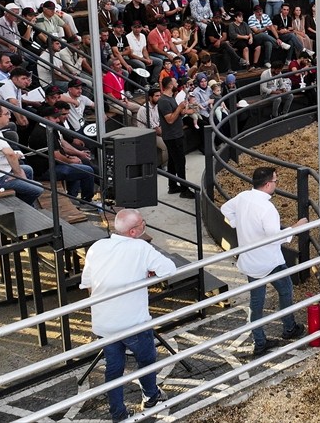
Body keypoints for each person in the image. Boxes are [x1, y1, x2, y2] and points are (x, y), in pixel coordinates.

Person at [81, 209, 175, 422]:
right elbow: (169, 269)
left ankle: (118, 413)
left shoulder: (97, 247)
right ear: (133, 231)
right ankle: (150, 396)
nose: (145, 225)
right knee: (147, 359)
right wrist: (148, 272)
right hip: (133, 322)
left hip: (105, 323)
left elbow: (87, 284)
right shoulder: (140, 247)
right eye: (142, 223)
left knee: (114, 369)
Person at [219, 167, 307, 357]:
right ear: (268, 184)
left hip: (250, 260)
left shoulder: (243, 197)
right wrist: (296, 227)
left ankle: (259, 341)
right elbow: (275, 237)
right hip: (269, 261)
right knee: (286, 290)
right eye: (275, 181)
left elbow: (225, 208)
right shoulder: (267, 209)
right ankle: (289, 327)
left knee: (256, 302)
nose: (276, 184)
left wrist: (239, 224)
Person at [158, 76, 194, 198]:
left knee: (173, 161)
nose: (177, 84)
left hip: (176, 133)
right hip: (172, 136)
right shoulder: (164, 101)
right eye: (175, 82)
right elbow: (170, 119)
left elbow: (175, 114)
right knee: (179, 161)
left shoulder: (170, 98)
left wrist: (183, 110)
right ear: (170, 85)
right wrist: (179, 108)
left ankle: (172, 186)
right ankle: (184, 189)